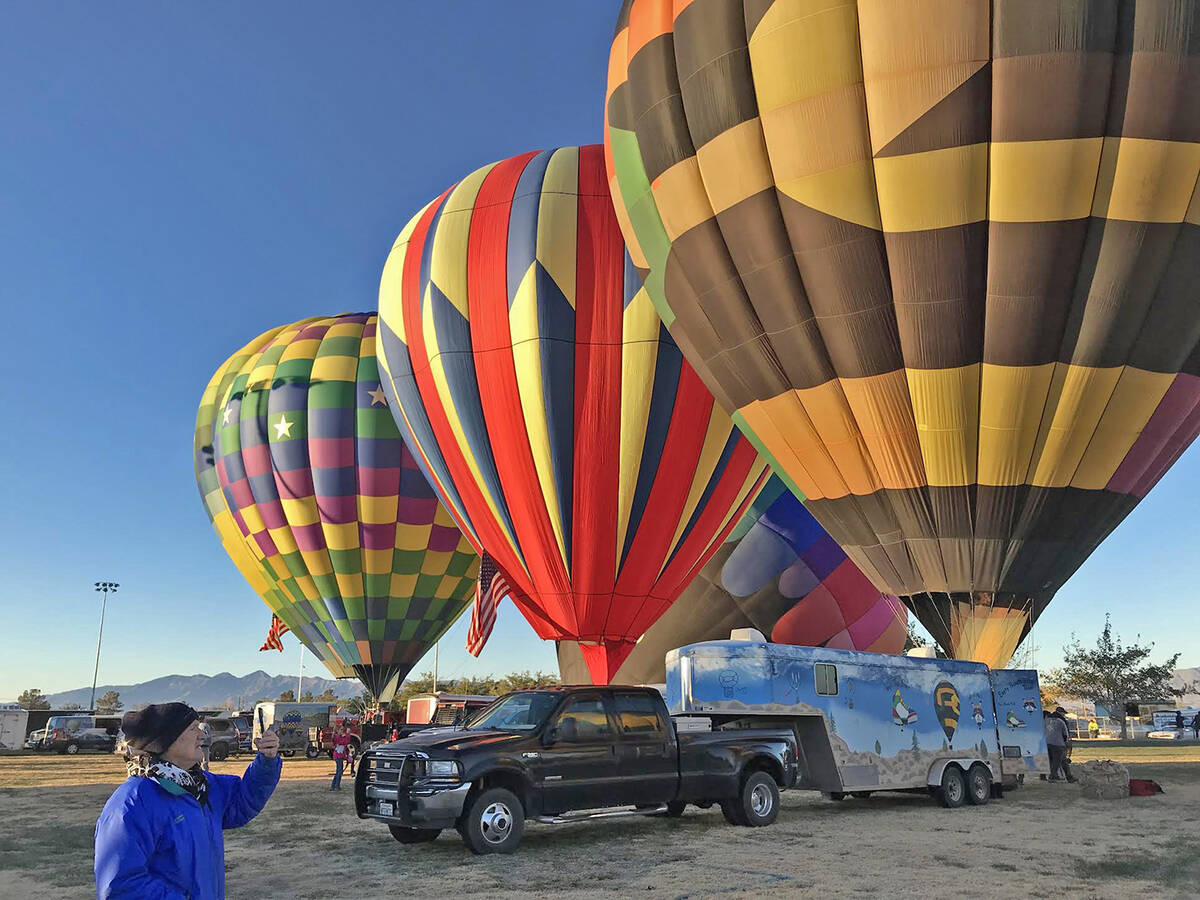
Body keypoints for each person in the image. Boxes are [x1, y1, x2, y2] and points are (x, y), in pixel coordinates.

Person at [95, 702, 280, 899]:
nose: (202, 735)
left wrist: (266, 762)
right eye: (193, 729)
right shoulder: (132, 803)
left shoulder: (202, 786)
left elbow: (242, 803)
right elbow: (121, 885)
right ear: (166, 740)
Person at [1044, 708, 1070, 782]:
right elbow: (1065, 734)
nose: (1064, 715)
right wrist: (1066, 743)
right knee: (1057, 761)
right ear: (1060, 713)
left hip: (1047, 743)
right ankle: (1053, 776)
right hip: (1058, 744)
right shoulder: (1061, 721)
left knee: (1051, 761)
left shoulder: (1046, 720)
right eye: (1063, 713)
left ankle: (1064, 776)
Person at [330, 725, 351, 791]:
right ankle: (336, 786)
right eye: (341, 730)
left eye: (343, 729)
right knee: (339, 771)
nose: (343, 731)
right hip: (338, 755)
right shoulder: (337, 737)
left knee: (338, 771)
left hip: (339, 755)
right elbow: (345, 741)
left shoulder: (338, 737)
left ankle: (333, 785)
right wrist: (348, 734)